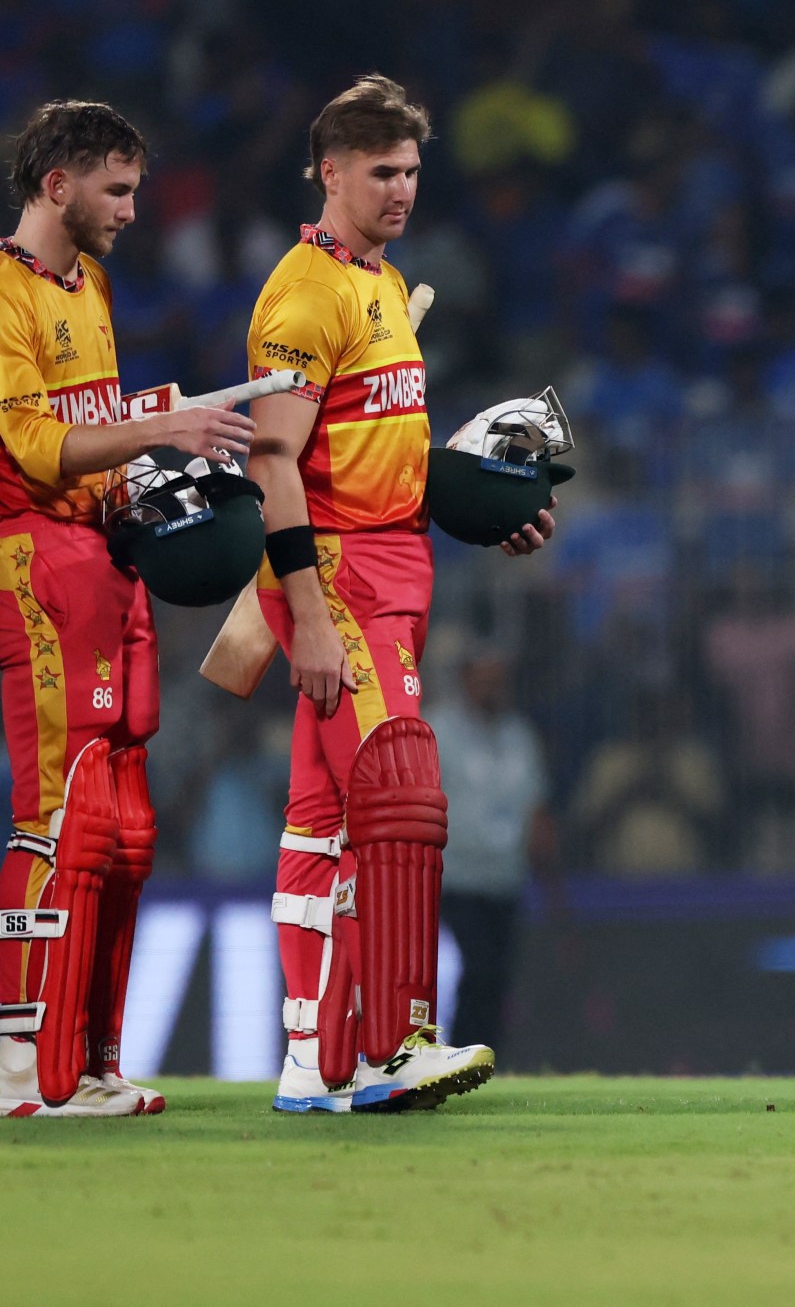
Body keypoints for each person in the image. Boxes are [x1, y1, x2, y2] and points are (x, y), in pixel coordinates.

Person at [245, 75, 557, 1114]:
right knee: (399, 800)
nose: (401, 189)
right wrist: (308, 615)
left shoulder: (381, 282)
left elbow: (383, 451)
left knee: (322, 818)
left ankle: (312, 1056)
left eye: (413, 171)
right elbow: (274, 460)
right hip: (341, 577)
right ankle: (390, 1044)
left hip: (396, 568)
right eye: (381, 171)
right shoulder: (305, 294)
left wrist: (487, 506)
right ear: (328, 172)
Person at [0, 100, 254, 1116]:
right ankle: (16, 1060)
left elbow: (95, 422)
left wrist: (162, 420)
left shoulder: (90, 285)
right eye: (117, 189)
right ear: (56, 184)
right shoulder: (5, 292)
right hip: (33, 557)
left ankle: (91, 1059)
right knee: (56, 811)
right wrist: (160, 431)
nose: (133, 210)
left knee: (122, 824)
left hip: (106, 555)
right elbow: (36, 449)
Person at [425, 643, 555, 1052]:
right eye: (483, 680)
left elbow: (536, 809)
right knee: (471, 970)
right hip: (454, 880)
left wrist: (551, 878)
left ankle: (484, 1058)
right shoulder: (438, 731)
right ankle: (455, 1052)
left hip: (505, 880)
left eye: (498, 680)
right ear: (464, 680)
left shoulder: (519, 737)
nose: (491, 689)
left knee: (496, 979)